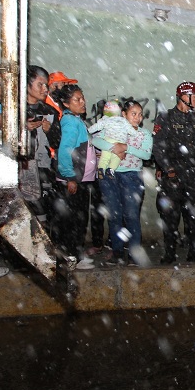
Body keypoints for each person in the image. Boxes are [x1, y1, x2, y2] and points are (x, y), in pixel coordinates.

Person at [152, 81, 195, 265]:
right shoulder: (165, 117)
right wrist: (167, 168)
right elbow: (158, 147)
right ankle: (169, 253)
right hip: (172, 175)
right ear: (183, 97)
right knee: (170, 216)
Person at [91, 99, 153, 265]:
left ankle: (134, 254)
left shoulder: (144, 134)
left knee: (132, 216)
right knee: (114, 216)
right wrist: (113, 148)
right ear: (123, 114)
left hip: (132, 177)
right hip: (110, 177)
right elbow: (96, 140)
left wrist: (126, 148)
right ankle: (117, 253)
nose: (138, 118)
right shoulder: (113, 128)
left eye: (140, 115)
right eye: (134, 114)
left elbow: (146, 155)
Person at [50, 84, 97, 269]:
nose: (82, 102)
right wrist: (70, 177)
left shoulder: (76, 120)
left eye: (82, 97)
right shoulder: (70, 122)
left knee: (76, 219)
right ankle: (73, 258)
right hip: (75, 180)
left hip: (80, 179)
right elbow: (65, 151)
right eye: (77, 99)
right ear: (65, 103)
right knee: (74, 221)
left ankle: (73, 255)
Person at [23, 66, 61, 227]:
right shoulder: (15, 110)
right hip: (21, 169)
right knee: (23, 212)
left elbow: (57, 142)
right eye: (40, 84)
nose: (45, 89)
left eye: (46, 85)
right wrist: (22, 128)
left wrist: (49, 130)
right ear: (26, 85)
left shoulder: (50, 111)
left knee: (44, 215)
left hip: (44, 168)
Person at [88, 100, 137, 179]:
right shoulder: (123, 121)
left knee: (104, 157)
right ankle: (111, 169)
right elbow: (131, 130)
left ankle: (101, 168)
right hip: (118, 142)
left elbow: (96, 127)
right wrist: (135, 133)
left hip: (107, 140)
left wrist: (88, 130)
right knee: (116, 158)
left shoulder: (105, 119)